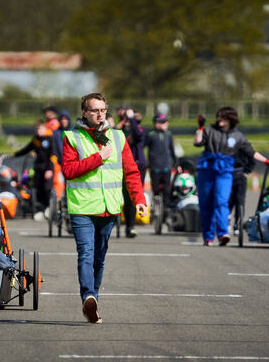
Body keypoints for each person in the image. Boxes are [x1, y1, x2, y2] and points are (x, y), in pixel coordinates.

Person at [62, 92, 147, 323]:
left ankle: (93, 301)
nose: (100, 114)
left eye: (103, 110)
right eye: (94, 110)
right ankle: (88, 295)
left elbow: (131, 172)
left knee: (99, 258)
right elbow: (69, 171)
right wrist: (99, 157)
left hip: (109, 208)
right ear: (84, 113)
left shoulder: (118, 137)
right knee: (86, 253)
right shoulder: (72, 137)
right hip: (82, 208)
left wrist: (139, 199)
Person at [194, 106, 269, 247]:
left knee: (222, 201)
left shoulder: (238, 136)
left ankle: (222, 234)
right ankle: (208, 236)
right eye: (218, 116)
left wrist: (266, 160)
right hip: (207, 168)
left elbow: (251, 152)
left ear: (230, 120)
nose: (219, 119)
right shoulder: (209, 130)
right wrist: (200, 127)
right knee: (206, 203)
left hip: (225, 169)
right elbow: (198, 142)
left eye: (223, 117)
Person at [13, 120, 56, 221]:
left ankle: (49, 208)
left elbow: (53, 155)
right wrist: (15, 155)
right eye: (37, 129)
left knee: (47, 188)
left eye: (40, 129)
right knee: (37, 189)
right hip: (38, 168)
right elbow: (27, 149)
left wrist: (49, 169)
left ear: (45, 129)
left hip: (47, 168)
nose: (39, 131)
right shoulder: (35, 140)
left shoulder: (49, 139)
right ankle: (40, 209)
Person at [116, 106, 146, 238]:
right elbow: (117, 135)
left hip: (138, 166)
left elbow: (138, 134)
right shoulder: (123, 130)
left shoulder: (138, 129)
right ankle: (125, 224)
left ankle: (131, 226)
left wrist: (132, 118)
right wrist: (123, 119)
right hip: (122, 165)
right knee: (123, 196)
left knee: (133, 197)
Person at [145, 113, 181, 210]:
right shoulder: (150, 135)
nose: (167, 124)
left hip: (167, 167)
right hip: (155, 167)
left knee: (166, 190)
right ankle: (156, 210)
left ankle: (165, 211)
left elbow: (172, 150)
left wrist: (177, 163)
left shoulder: (168, 134)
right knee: (155, 190)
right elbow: (141, 148)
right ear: (157, 123)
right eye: (164, 122)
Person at [228, 144, 257, 235]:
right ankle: (225, 223)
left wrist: (247, 171)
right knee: (227, 200)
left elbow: (252, 159)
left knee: (239, 201)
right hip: (227, 175)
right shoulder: (225, 143)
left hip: (240, 175)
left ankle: (237, 224)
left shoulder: (243, 145)